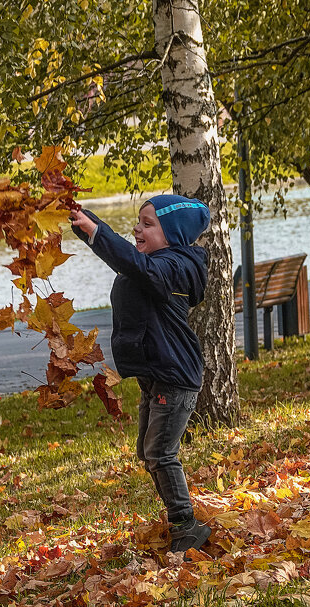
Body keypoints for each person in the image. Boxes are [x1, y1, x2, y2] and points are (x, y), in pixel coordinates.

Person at [70, 195, 211, 556]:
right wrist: (86, 223)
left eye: (147, 224)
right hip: (158, 374)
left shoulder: (173, 267)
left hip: (174, 376)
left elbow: (136, 266)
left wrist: (98, 232)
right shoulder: (155, 262)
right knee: (149, 452)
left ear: (174, 235)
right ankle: (180, 519)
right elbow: (131, 263)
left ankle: (186, 524)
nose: (137, 228)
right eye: (138, 221)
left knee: (160, 452)